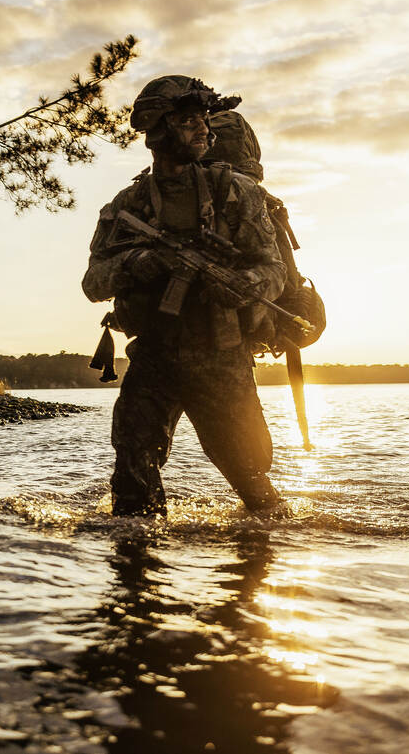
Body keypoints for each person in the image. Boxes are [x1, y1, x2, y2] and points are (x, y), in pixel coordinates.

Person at [81, 75, 287, 516]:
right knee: (132, 481)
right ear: (158, 127)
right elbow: (93, 282)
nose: (204, 131)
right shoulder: (128, 205)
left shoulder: (236, 192)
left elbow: (274, 269)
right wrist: (142, 263)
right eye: (190, 120)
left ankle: (260, 564)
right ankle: (136, 567)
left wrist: (246, 285)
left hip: (223, 354)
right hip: (155, 356)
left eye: (205, 121)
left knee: (250, 478)